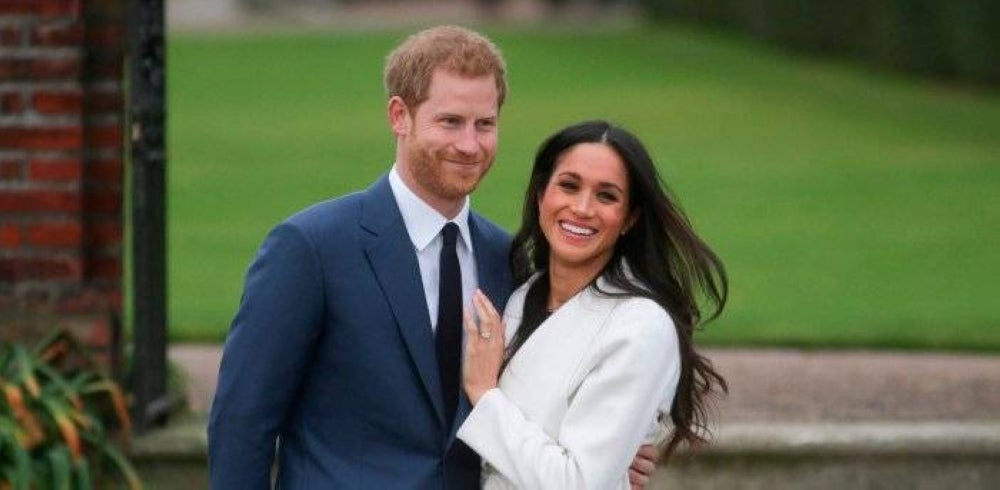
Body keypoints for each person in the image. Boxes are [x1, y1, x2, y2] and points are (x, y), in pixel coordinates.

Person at [208, 27, 658, 488]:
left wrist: (607, 454)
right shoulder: (311, 248)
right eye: (450, 122)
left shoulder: (509, 260)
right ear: (399, 116)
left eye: (484, 124)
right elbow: (242, 423)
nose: (470, 144)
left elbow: (533, 397)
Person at [457, 120, 729, 488]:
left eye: (607, 196)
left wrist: (485, 395)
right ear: (541, 196)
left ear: (629, 218)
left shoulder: (640, 328)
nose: (582, 208)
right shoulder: (521, 294)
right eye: (569, 186)